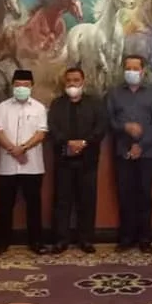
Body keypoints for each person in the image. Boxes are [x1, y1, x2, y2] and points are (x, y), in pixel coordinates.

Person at [107, 55, 152, 254]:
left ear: (143, 71)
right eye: (128, 68)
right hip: (123, 151)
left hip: (147, 153)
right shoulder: (114, 93)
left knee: (144, 196)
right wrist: (124, 127)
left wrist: (141, 145)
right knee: (125, 195)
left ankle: (145, 239)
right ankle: (126, 238)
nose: (131, 72)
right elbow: (109, 120)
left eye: (135, 68)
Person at [48, 67, 108, 254]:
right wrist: (67, 142)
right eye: (69, 80)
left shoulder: (95, 104)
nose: (72, 84)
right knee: (62, 201)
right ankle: (61, 240)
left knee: (87, 201)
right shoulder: (57, 104)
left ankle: (86, 240)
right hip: (63, 159)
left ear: (83, 82)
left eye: (76, 80)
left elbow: (101, 127)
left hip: (88, 160)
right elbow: (52, 128)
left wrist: (84, 143)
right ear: (64, 83)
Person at [0, 70, 49, 256]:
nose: (21, 88)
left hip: (32, 166)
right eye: (18, 85)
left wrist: (23, 148)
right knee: (4, 206)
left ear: (32, 86)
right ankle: (1, 243)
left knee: (34, 206)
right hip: (7, 166)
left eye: (25, 85)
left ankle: (36, 242)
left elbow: (41, 133)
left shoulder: (39, 108)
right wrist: (13, 150)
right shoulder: (2, 107)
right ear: (12, 86)